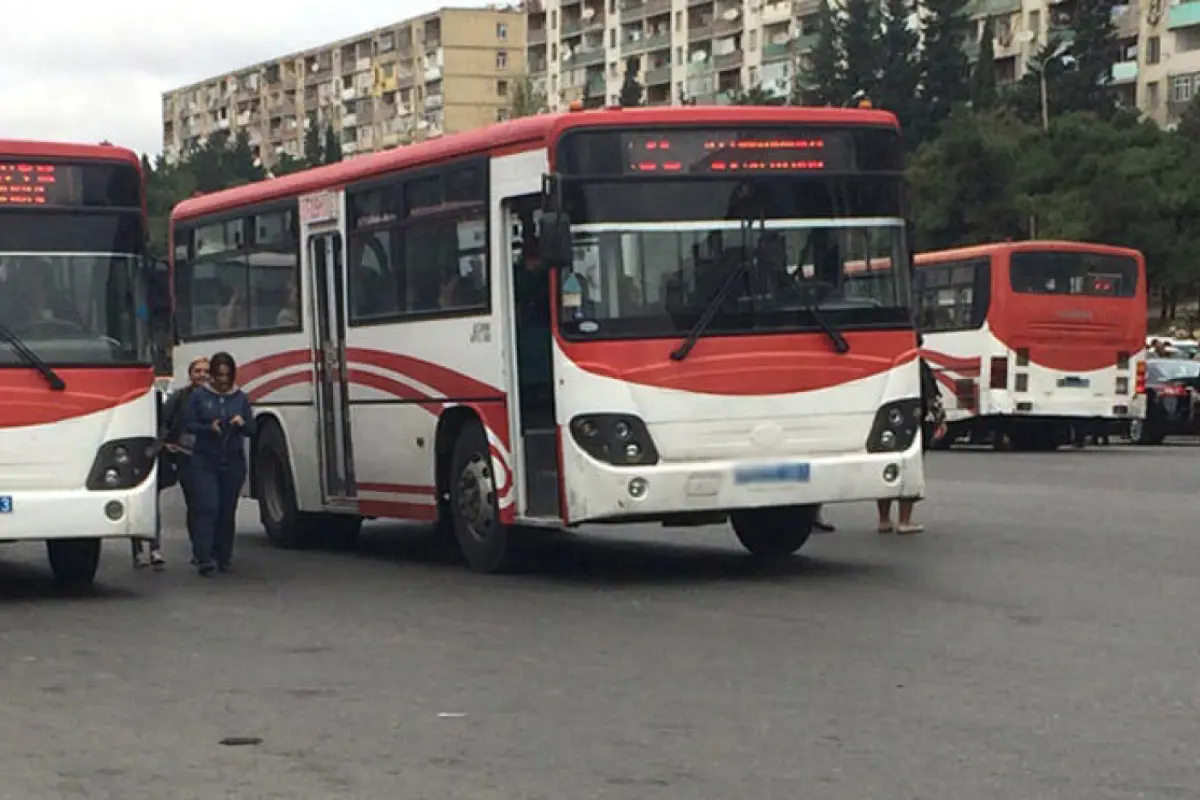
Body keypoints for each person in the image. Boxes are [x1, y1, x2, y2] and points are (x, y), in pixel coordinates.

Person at [132, 356, 210, 569]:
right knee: (150, 502)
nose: (202, 375)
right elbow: (163, 422)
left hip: (199, 457)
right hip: (173, 454)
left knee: (198, 506)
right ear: (190, 374)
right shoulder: (179, 397)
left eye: (206, 371)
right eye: (198, 371)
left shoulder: (214, 398)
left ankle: (201, 551)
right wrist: (164, 445)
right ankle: (146, 549)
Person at [183, 352, 255, 576]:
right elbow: (189, 424)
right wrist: (208, 428)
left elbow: (253, 429)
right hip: (204, 459)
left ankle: (223, 556)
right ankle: (204, 557)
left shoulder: (240, 398)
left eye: (227, 375)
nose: (223, 380)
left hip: (232, 460)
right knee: (208, 506)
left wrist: (242, 424)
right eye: (219, 375)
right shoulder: (199, 396)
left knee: (226, 510)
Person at [879, 336, 938, 535]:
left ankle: (884, 519)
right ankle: (905, 520)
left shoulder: (889, 364)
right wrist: (940, 419)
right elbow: (931, 397)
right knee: (910, 471)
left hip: (887, 423)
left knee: (887, 468)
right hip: (912, 424)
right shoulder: (918, 366)